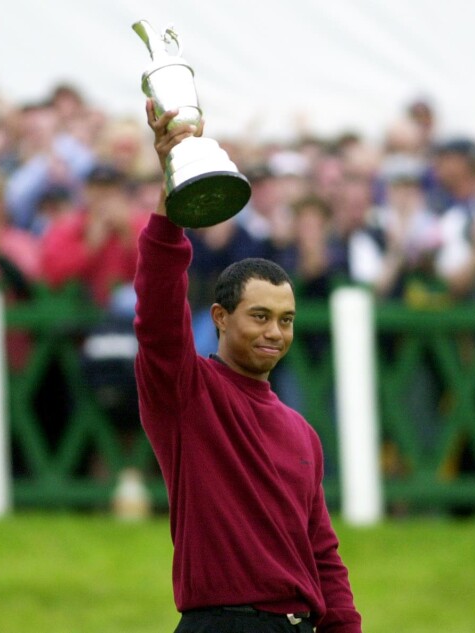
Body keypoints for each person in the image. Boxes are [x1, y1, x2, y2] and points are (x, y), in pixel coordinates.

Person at [134, 102, 362, 633]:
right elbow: (157, 316)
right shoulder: (187, 395)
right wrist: (173, 191)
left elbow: (324, 556)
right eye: (259, 316)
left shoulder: (300, 432)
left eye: (286, 320)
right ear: (219, 317)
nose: (274, 332)